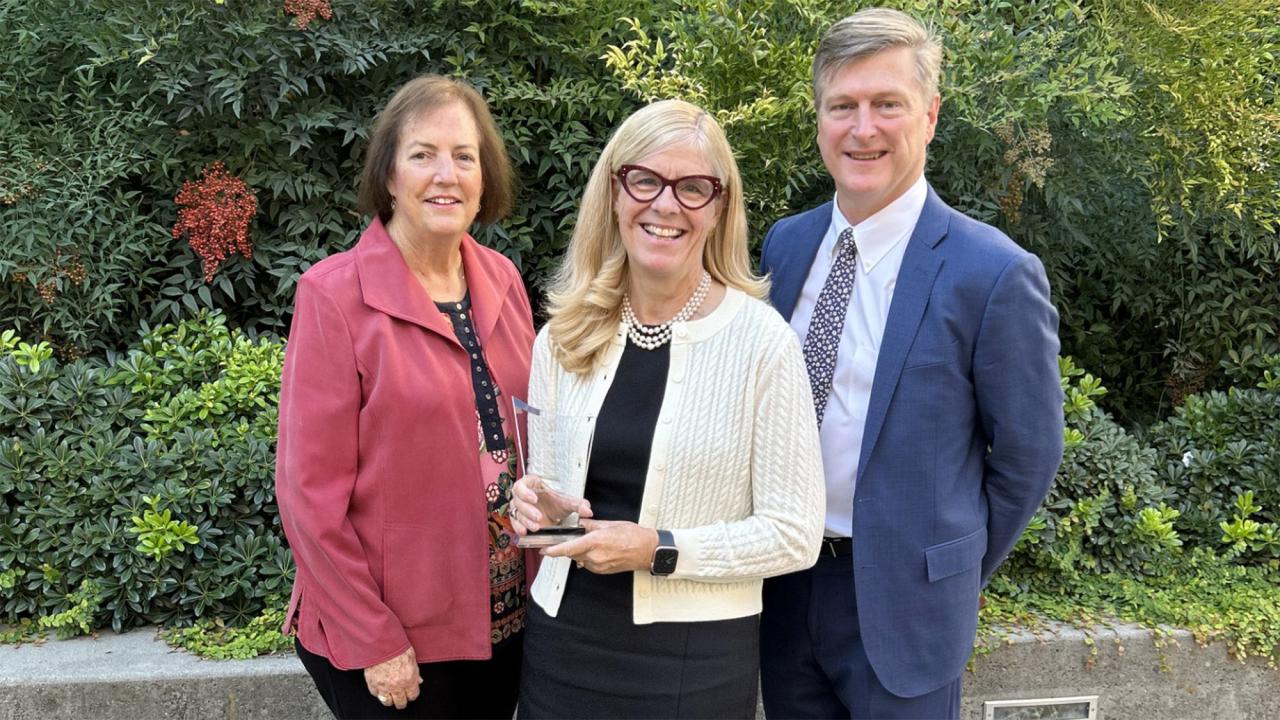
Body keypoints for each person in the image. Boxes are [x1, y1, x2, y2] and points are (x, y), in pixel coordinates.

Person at [758, 8, 1065, 720]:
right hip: (783, 587)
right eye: (843, 106)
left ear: (928, 115)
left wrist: (946, 572)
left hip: (906, 609)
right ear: (819, 120)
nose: (863, 129)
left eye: (886, 105)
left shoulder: (992, 273)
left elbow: (1027, 456)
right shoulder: (786, 245)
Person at [507, 99, 826, 719]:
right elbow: (550, 512)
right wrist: (535, 510)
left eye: (693, 188)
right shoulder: (563, 336)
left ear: (720, 207)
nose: (665, 204)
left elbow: (795, 535)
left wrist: (657, 548)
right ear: (615, 194)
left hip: (692, 664)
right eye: (646, 180)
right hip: (563, 647)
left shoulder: (763, 344)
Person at [275, 74, 535, 719]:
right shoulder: (334, 296)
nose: (445, 174)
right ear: (389, 176)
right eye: (423, 155)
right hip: (398, 636)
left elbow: (532, 432)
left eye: (464, 157)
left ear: (484, 178)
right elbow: (308, 495)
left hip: (503, 620)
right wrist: (372, 637)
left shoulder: (502, 278)